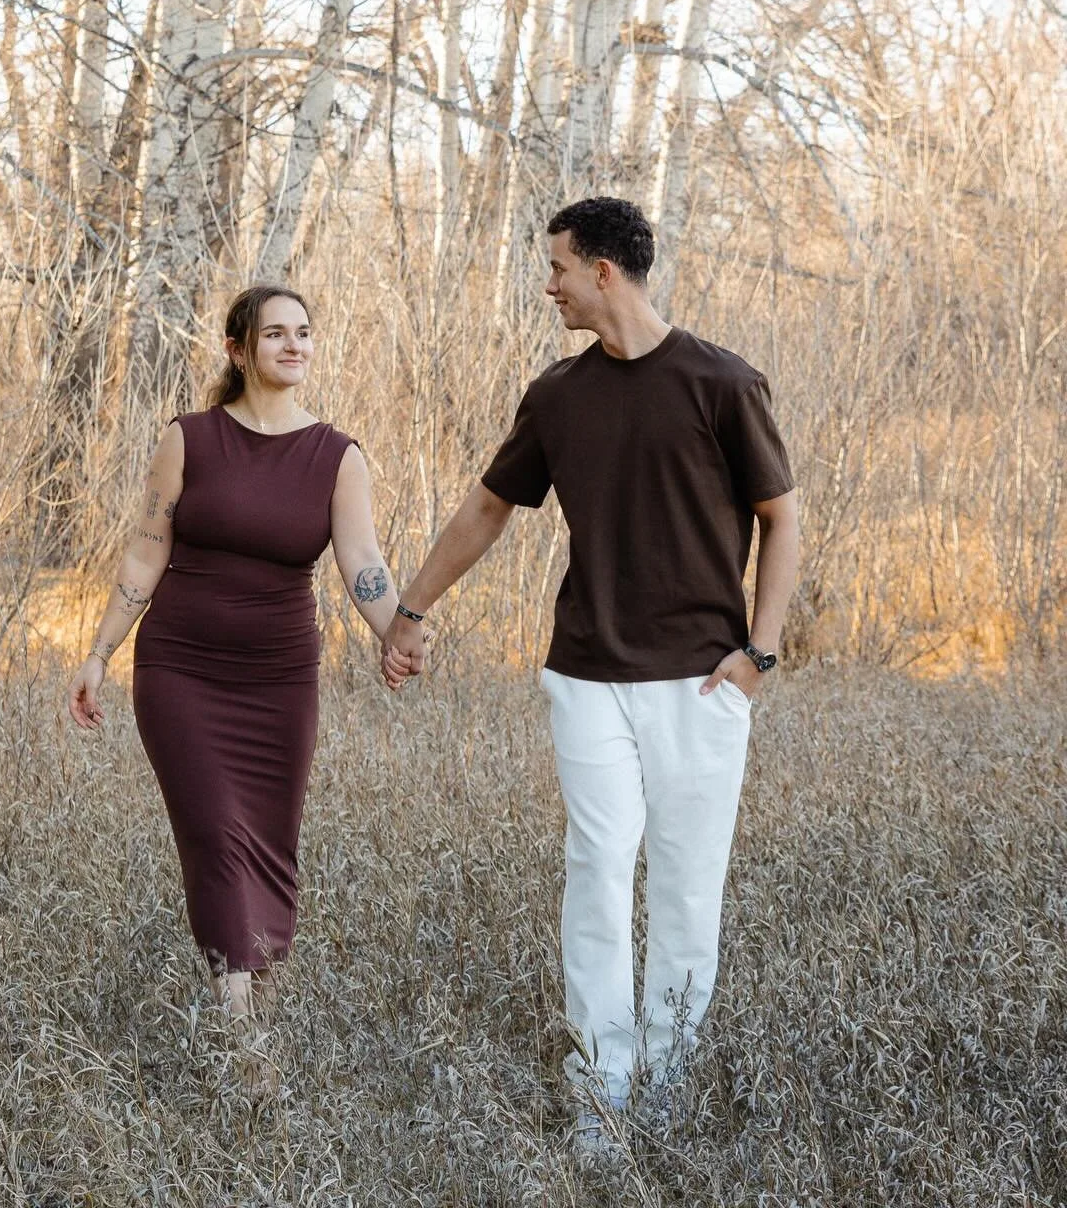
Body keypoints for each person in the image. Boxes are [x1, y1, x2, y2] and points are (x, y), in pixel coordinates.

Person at [382, 197, 799, 1154]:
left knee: (688, 887)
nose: (550, 284)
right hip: (587, 674)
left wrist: (758, 656)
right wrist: (411, 610)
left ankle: (670, 1084)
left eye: (560, 268)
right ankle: (603, 1091)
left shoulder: (723, 383)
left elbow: (784, 518)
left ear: (604, 270)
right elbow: (486, 511)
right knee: (599, 870)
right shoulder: (558, 397)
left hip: (703, 682)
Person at [68, 283, 404, 1057]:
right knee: (218, 835)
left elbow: (363, 564)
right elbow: (146, 550)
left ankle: (262, 989)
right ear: (238, 349)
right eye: (277, 334)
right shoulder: (189, 439)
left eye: (305, 333)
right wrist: (98, 653)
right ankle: (239, 1035)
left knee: (270, 842)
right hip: (180, 670)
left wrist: (400, 632)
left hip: (281, 680)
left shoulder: (337, 456)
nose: (295, 346)